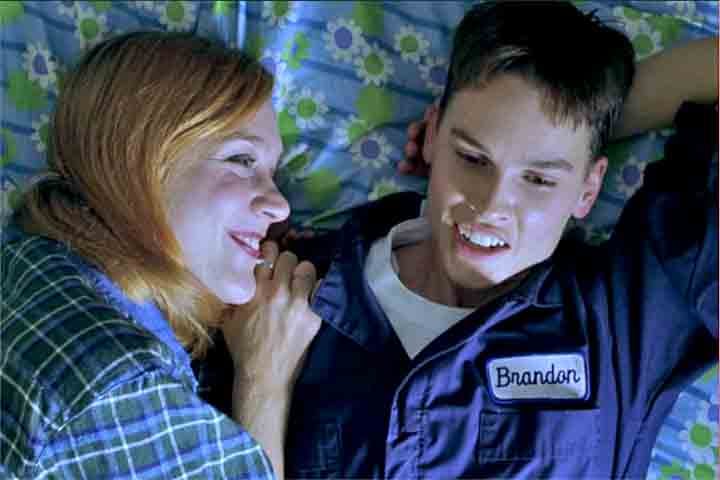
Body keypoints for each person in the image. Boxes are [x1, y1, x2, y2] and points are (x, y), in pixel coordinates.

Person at [270, 2, 717, 479]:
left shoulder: (626, 318)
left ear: (589, 188)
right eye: (472, 158)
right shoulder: (294, 293)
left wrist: (581, 123)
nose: (490, 205)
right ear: (433, 135)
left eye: (540, 179)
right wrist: (260, 386)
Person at [0, 31, 321, 479]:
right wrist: (265, 382)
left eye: (272, 173)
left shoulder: (28, 265)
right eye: (242, 160)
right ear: (138, 158)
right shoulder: (123, 387)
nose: (280, 206)